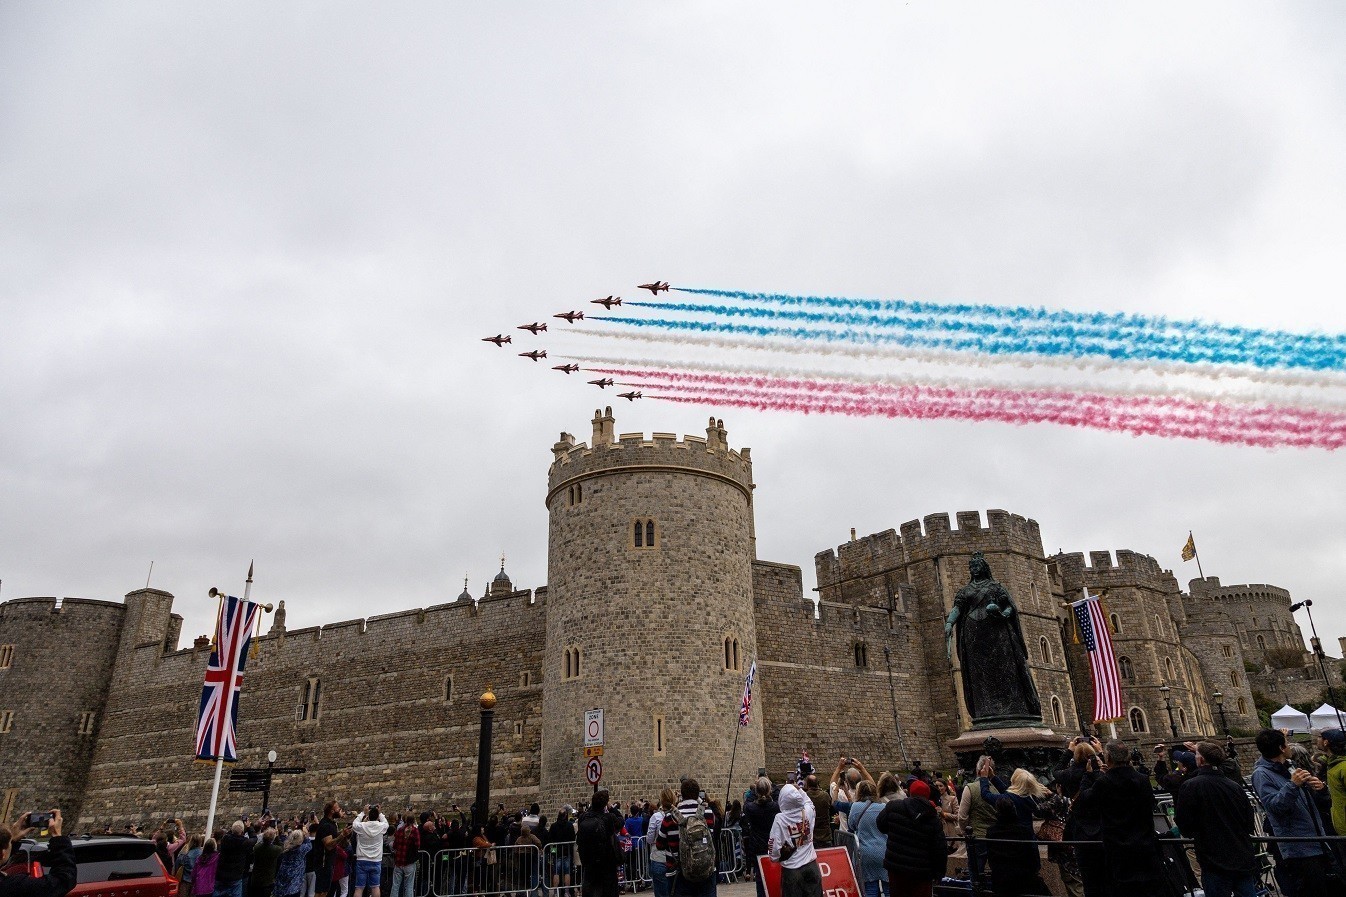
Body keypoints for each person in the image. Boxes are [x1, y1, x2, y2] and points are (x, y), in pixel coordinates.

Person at [1071, 740, 1166, 897]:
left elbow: (1083, 802)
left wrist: (1089, 775)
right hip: (1145, 847)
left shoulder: (1104, 782)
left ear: (1108, 758)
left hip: (1118, 851)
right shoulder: (1142, 779)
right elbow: (1150, 804)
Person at [1251, 728, 1334, 897]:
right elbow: (1275, 806)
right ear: (1282, 748)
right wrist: (1292, 785)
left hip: (1317, 840)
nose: (1289, 747)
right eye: (1287, 744)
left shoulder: (1289, 766)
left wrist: (1320, 789)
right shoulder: (1261, 774)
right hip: (1298, 847)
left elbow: (1309, 803)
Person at [1174, 742, 1258, 897]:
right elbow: (1249, 821)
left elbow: (1184, 824)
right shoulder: (1234, 786)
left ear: (1200, 760)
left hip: (1213, 859)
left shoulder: (1191, 786)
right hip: (1241, 855)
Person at [875, 780, 946, 897]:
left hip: (896, 867)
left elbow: (881, 825)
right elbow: (940, 848)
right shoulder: (932, 817)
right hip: (921, 871)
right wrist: (939, 873)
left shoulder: (894, 807)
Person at [0, 810, 76, 897]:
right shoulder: (13, 887)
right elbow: (64, 880)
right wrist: (57, 836)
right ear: (2, 854)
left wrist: (11, 841)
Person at [767, 783, 822, 897]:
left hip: (792, 869)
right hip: (811, 865)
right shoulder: (807, 812)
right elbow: (809, 802)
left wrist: (775, 858)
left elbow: (774, 844)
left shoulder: (780, 819)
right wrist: (800, 790)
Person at [984, 800, 1047, 897]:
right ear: (1014, 811)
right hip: (1024, 880)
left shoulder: (991, 832)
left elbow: (991, 859)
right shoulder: (1024, 830)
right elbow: (1032, 856)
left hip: (1001, 881)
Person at [842, 780, 889, 897]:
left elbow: (851, 826)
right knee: (889, 888)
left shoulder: (855, 807)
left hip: (865, 852)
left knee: (869, 888)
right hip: (885, 851)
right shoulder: (884, 807)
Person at [956, 756, 998, 883]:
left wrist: (965, 833)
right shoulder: (997, 789)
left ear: (978, 770)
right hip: (995, 837)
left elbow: (962, 816)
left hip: (977, 837)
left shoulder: (970, 788)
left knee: (976, 873)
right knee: (997, 871)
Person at [577, 790, 620, 897]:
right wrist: (612, 808)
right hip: (606, 864)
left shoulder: (583, 818)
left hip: (589, 863)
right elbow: (620, 822)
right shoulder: (609, 818)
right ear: (605, 804)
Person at [741, 779, 778, 897]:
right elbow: (778, 794)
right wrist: (770, 783)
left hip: (757, 846)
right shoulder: (775, 807)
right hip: (773, 845)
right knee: (775, 875)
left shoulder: (751, 808)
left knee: (760, 878)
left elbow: (747, 802)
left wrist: (755, 789)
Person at [349, 807, 388, 897]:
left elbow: (354, 824)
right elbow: (386, 823)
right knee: (375, 887)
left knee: (359, 888)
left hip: (362, 859)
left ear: (369, 817)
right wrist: (380, 813)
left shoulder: (362, 826)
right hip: (376, 860)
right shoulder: (381, 826)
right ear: (377, 817)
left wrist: (362, 812)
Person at [214, 821, 253, 897]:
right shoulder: (244, 842)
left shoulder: (225, 839)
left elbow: (228, 834)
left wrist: (235, 827)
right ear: (242, 831)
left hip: (221, 874)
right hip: (235, 877)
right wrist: (249, 827)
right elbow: (254, 839)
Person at [275, 830, 314, 897]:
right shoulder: (301, 849)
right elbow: (309, 845)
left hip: (283, 875)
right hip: (294, 881)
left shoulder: (286, 846)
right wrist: (306, 837)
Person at [389, 813, 418, 897]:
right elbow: (417, 844)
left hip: (399, 861)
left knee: (395, 885)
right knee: (409, 886)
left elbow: (394, 845)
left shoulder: (399, 830)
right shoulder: (415, 830)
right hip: (409, 861)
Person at [548, 807, 575, 891]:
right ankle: (567, 891)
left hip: (557, 853)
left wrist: (553, 853)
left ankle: (556, 892)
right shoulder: (570, 825)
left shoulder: (553, 826)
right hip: (567, 852)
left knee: (556, 872)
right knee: (567, 872)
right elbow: (572, 838)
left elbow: (551, 840)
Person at [802, 775, 833, 848]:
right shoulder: (825, 795)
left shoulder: (805, 796)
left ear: (807, 784)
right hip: (826, 835)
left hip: (812, 836)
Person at [251, 829, 283, 897]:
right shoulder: (275, 849)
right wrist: (277, 837)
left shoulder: (257, 847)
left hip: (256, 879)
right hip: (268, 881)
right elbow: (282, 847)